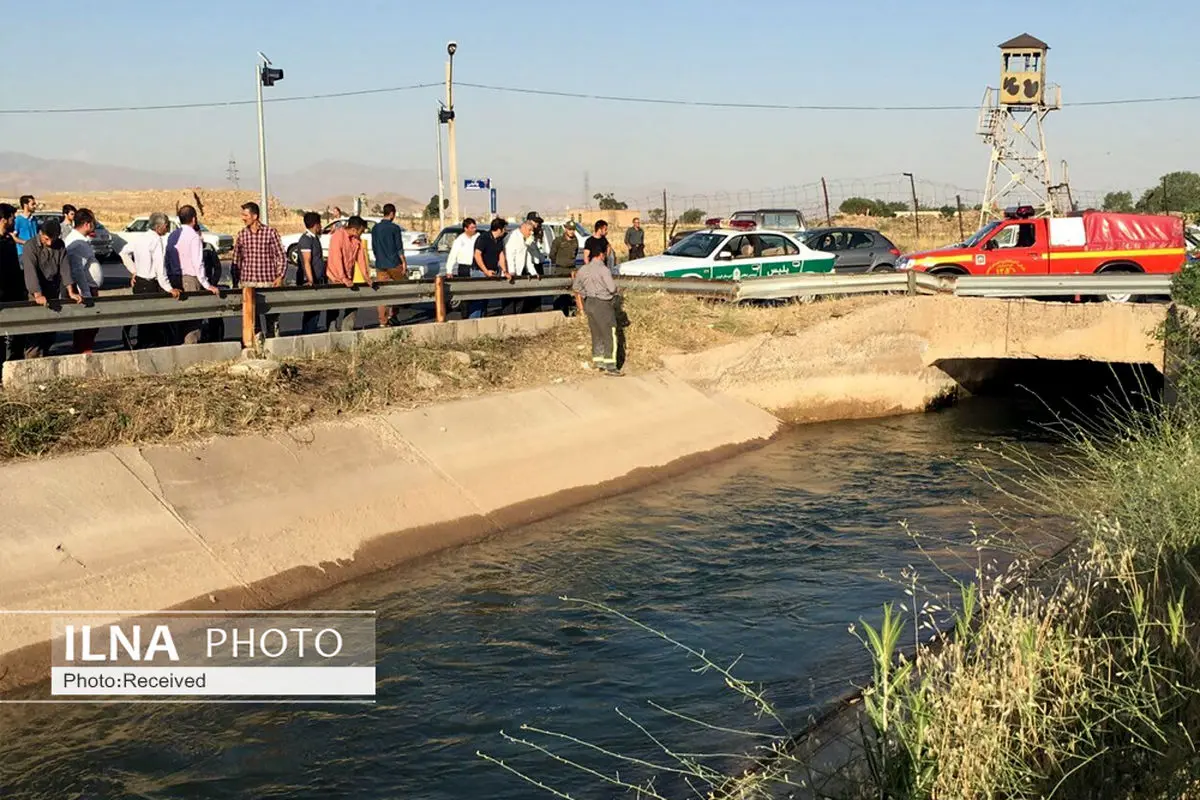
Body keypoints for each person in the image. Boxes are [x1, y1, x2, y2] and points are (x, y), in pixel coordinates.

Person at [22, 219, 83, 358]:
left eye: (52, 240)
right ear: (41, 234)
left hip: (53, 291)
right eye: (46, 239)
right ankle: (32, 362)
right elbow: (30, 272)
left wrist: (71, 291)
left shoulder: (60, 245)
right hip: (35, 293)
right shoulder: (30, 246)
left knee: (50, 330)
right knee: (35, 332)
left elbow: (65, 268)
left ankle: (46, 355)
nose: (49, 243)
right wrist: (37, 294)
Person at [120, 212, 178, 349]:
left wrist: (134, 270)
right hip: (151, 283)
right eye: (166, 225)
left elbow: (123, 252)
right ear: (159, 227)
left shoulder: (140, 238)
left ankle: (142, 345)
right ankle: (151, 346)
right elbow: (160, 268)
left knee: (142, 319)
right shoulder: (156, 241)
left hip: (139, 283)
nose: (168, 228)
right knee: (154, 320)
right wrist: (169, 288)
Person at [167, 205, 221, 344]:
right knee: (193, 319)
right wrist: (207, 284)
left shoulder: (173, 236)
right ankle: (191, 350)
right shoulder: (194, 237)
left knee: (179, 319)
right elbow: (198, 263)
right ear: (194, 219)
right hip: (190, 279)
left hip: (174, 279)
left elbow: (166, 259)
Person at [232, 201, 285, 339]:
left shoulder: (270, 233)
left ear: (255, 216)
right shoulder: (242, 235)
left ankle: (272, 345)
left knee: (271, 320)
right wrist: (235, 280)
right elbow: (236, 259)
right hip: (249, 284)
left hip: (268, 282)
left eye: (245, 215)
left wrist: (280, 276)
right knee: (252, 321)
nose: (243, 218)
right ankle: (256, 347)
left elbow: (281, 255)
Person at [572, 248, 622, 376]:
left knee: (596, 333)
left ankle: (598, 361)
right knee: (609, 334)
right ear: (601, 254)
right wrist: (617, 291)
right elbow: (611, 288)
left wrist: (585, 295)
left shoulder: (583, 269)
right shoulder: (603, 270)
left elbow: (576, 287)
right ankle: (610, 366)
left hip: (589, 303)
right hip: (603, 304)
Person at [62, 208, 103, 353]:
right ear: (87, 224)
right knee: (88, 326)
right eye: (93, 222)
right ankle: (83, 353)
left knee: (89, 326)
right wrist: (86, 293)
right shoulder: (78, 243)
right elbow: (77, 271)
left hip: (88, 289)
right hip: (86, 291)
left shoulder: (79, 240)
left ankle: (83, 350)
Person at [325, 215, 373, 331]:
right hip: (335, 278)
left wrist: (366, 276)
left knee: (352, 304)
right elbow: (337, 258)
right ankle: (332, 331)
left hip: (349, 277)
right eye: (361, 231)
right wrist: (343, 278)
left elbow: (360, 257)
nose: (362, 234)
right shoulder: (338, 237)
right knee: (334, 307)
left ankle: (347, 330)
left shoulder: (357, 239)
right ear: (354, 229)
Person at [296, 211, 336, 334]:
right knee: (311, 311)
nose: (321, 227)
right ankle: (308, 335)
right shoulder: (306, 239)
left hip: (318, 279)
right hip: (310, 281)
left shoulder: (314, 238)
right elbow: (307, 262)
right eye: (320, 224)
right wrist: (310, 280)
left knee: (316, 310)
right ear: (315, 225)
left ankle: (310, 333)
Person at [371, 203, 407, 327]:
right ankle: (393, 314)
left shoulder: (375, 228)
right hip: (394, 263)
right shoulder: (394, 228)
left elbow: (374, 247)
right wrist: (403, 262)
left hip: (380, 264)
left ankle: (383, 321)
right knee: (401, 288)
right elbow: (399, 247)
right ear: (392, 213)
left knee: (382, 293)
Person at [0, 204, 25, 364]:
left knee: (16, 337)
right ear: (3, 220)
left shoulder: (9, 240)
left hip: (13, 296)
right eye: (12, 218)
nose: (14, 220)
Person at [470, 218, 508, 319]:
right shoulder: (484, 238)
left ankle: (482, 321)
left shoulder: (499, 240)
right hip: (479, 272)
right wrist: (485, 271)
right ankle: (473, 323)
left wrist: (505, 271)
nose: (505, 231)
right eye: (504, 228)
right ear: (499, 229)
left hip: (492, 272)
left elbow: (501, 255)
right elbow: (477, 255)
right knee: (478, 300)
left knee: (485, 300)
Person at [503, 219, 542, 315]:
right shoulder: (513, 237)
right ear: (523, 228)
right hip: (511, 274)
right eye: (530, 230)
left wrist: (533, 272)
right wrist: (511, 271)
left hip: (520, 273)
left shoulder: (526, 239)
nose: (531, 232)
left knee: (520, 300)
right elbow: (509, 256)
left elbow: (527, 257)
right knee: (509, 302)